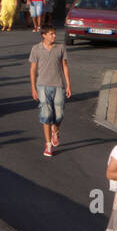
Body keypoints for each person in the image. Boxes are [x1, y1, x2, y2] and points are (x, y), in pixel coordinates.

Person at [29, 25, 71, 157]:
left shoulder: (60, 48)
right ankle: (48, 145)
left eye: (54, 34)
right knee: (46, 115)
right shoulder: (36, 49)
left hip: (58, 85)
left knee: (59, 115)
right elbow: (33, 70)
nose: (54, 36)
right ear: (44, 35)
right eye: (52, 34)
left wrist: (68, 85)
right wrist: (33, 88)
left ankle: (56, 130)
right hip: (42, 85)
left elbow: (65, 66)